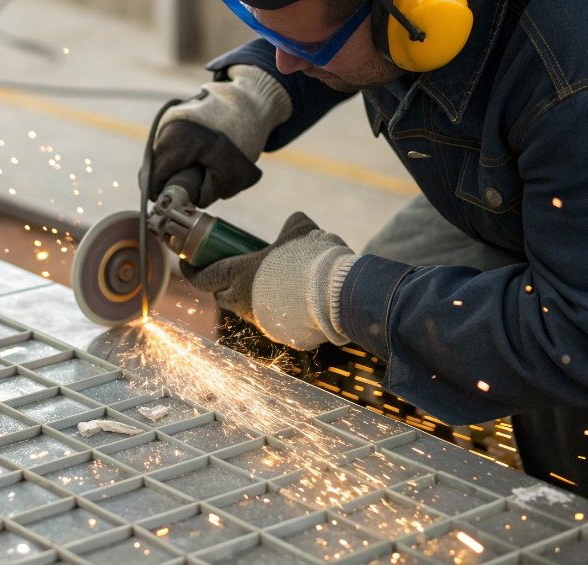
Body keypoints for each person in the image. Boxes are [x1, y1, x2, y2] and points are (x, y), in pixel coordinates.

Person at [146, 0, 588, 496]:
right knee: (355, 348)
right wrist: (256, 92)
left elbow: (571, 333)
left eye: (308, 47)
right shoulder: (404, 22)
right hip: (509, 198)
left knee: (565, 453)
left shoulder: (570, 90)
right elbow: (324, 41)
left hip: (575, 302)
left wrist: (330, 290)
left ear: (417, 18)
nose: (285, 59)